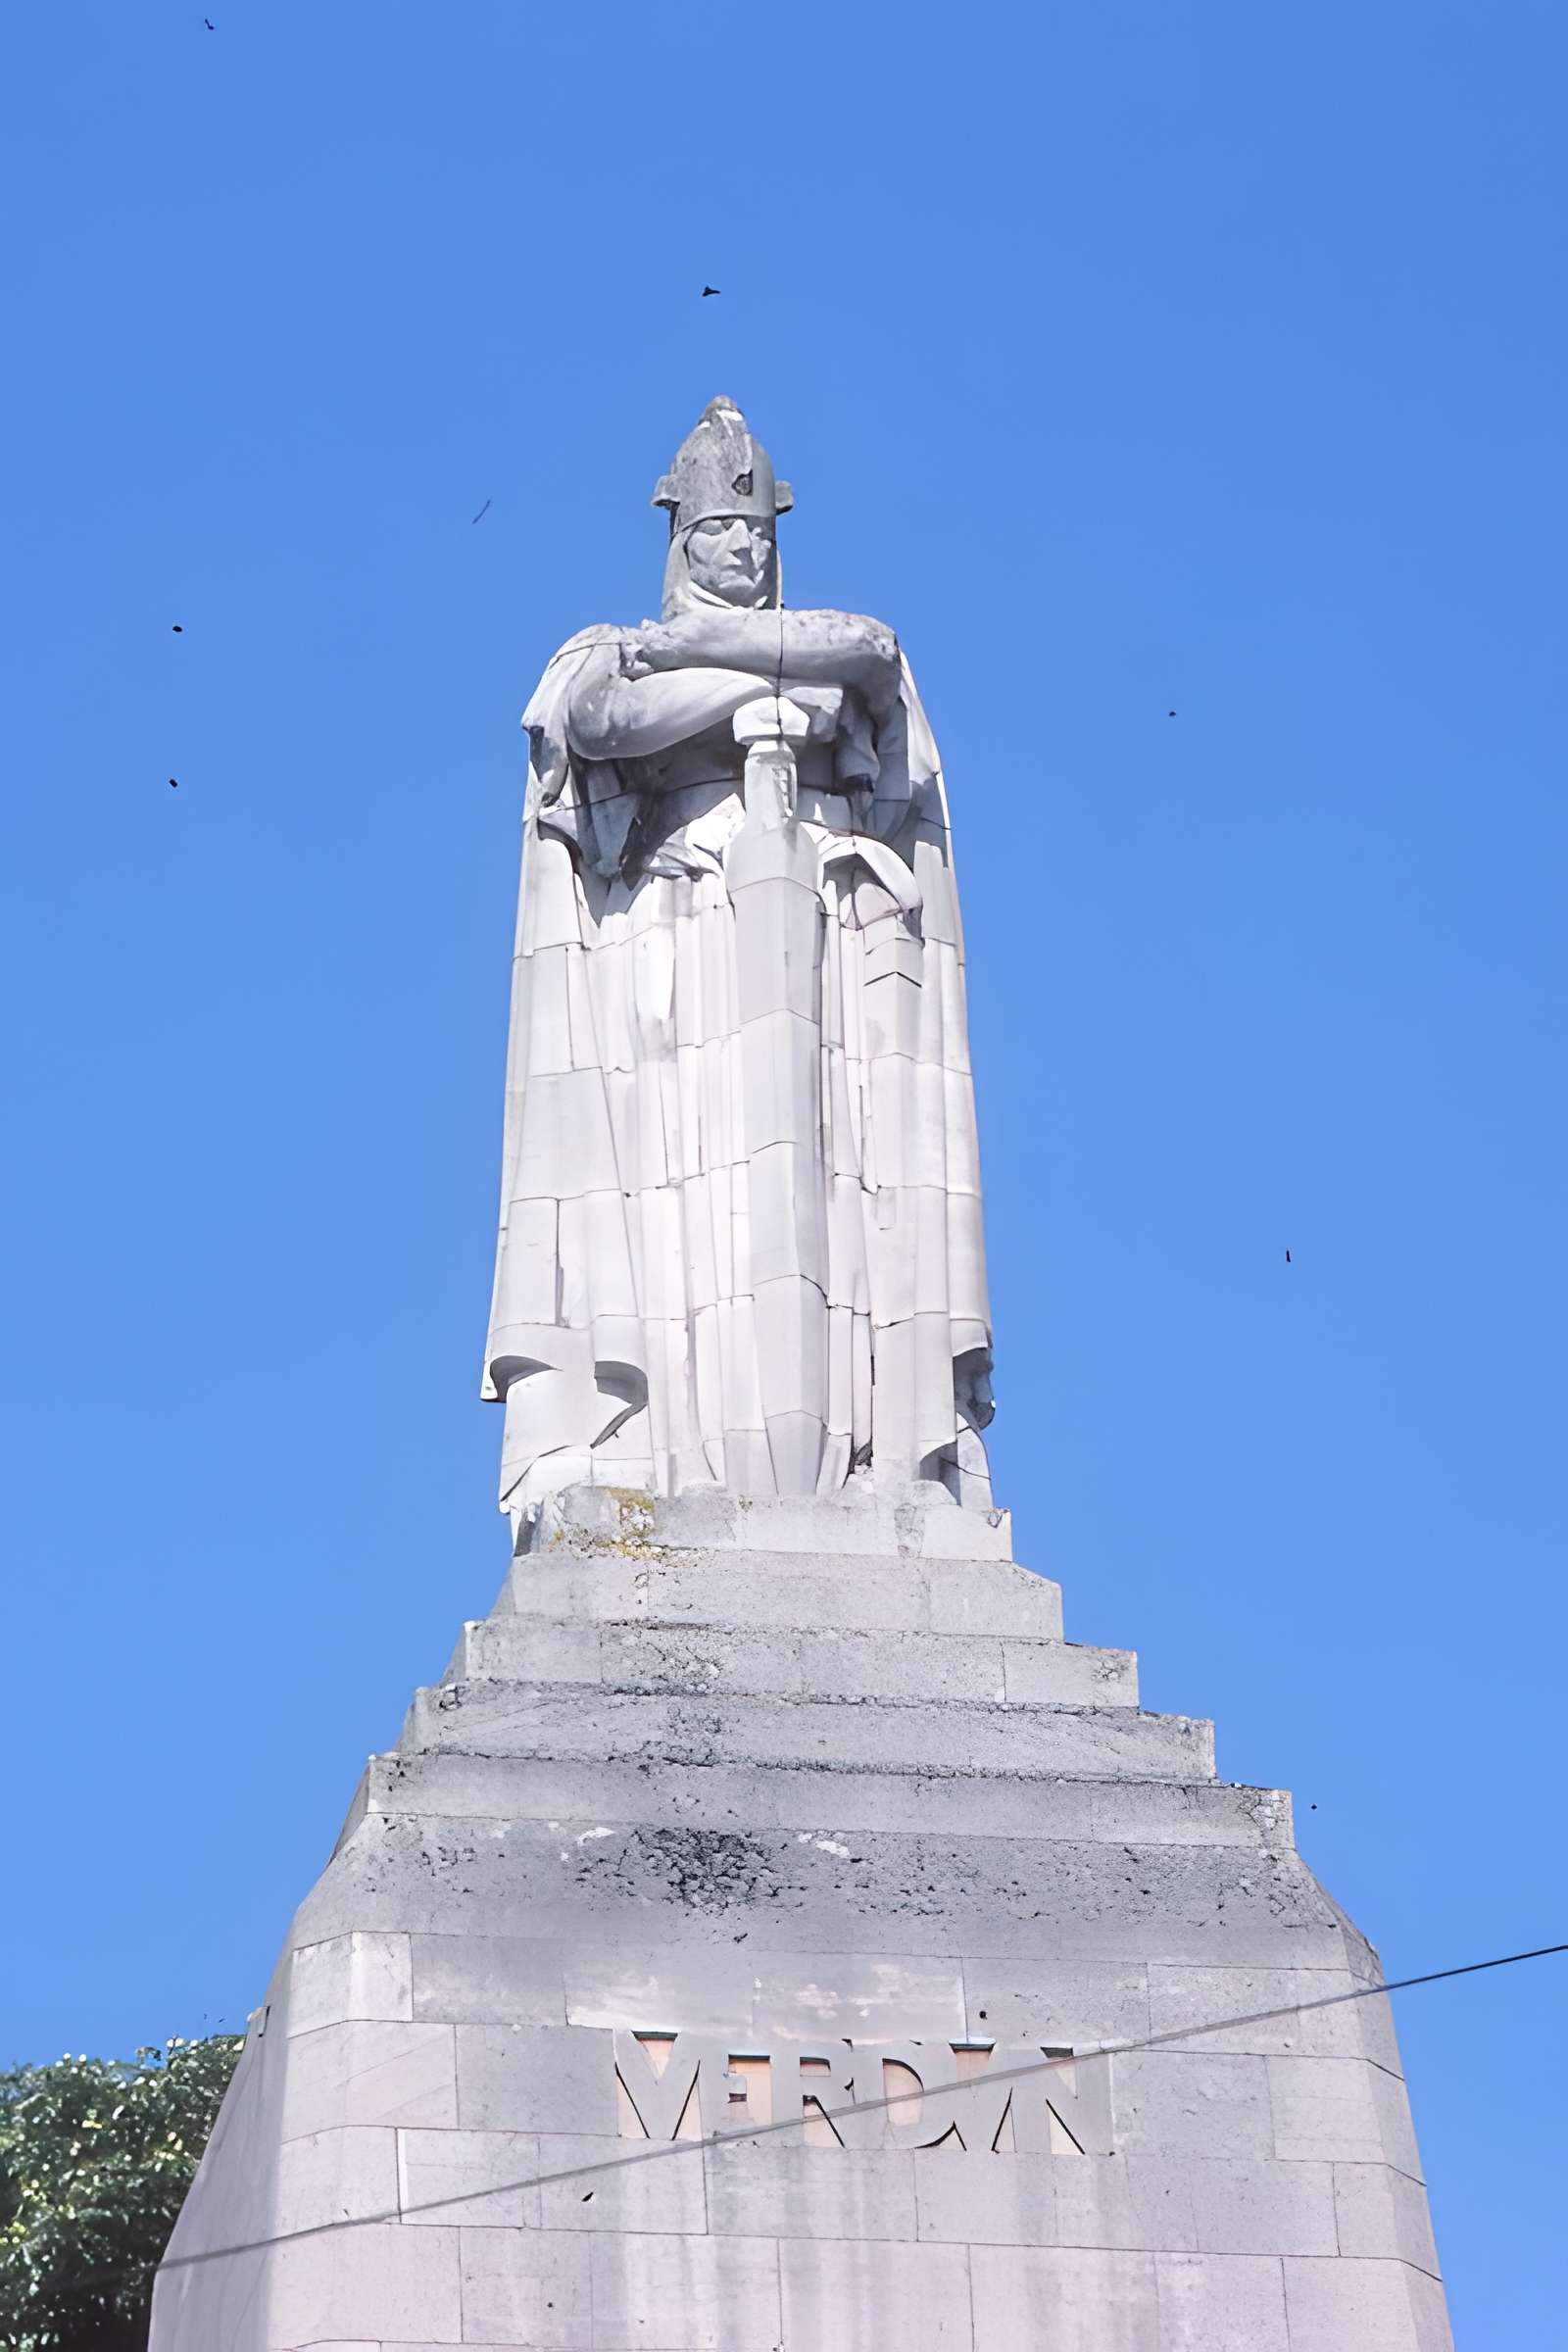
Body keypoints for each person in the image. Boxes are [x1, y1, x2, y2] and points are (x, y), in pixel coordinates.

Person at [484, 398, 994, 1528]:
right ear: (683, 537)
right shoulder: (600, 649)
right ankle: (660, 1449)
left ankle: (865, 1463)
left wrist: (703, 659)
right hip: (675, 945)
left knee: (827, 1209)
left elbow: (866, 652)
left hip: (821, 949)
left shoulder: (819, 637)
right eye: (726, 532)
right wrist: (764, 695)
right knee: (676, 1221)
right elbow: (608, 720)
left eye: (761, 534)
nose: (749, 550)